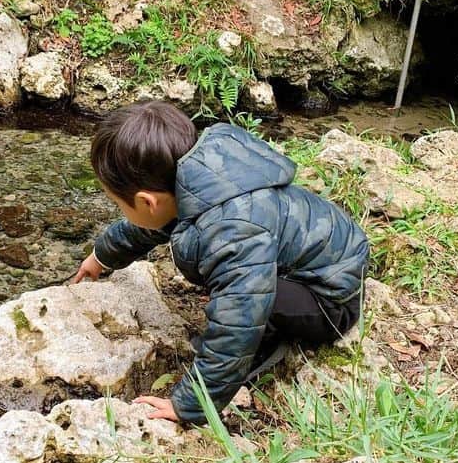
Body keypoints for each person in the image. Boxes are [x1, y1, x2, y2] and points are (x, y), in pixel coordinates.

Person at [72, 100, 369, 424]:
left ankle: (265, 351)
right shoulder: (199, 176)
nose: (121, 210)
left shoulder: (231, 230)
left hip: (330, 298)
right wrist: (102, 256)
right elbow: (150, 226)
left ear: (147, 201)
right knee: (237, 287)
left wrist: (190, 404)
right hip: (321, 253)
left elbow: (238, 322)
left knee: (242, 304)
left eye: (119, 204)